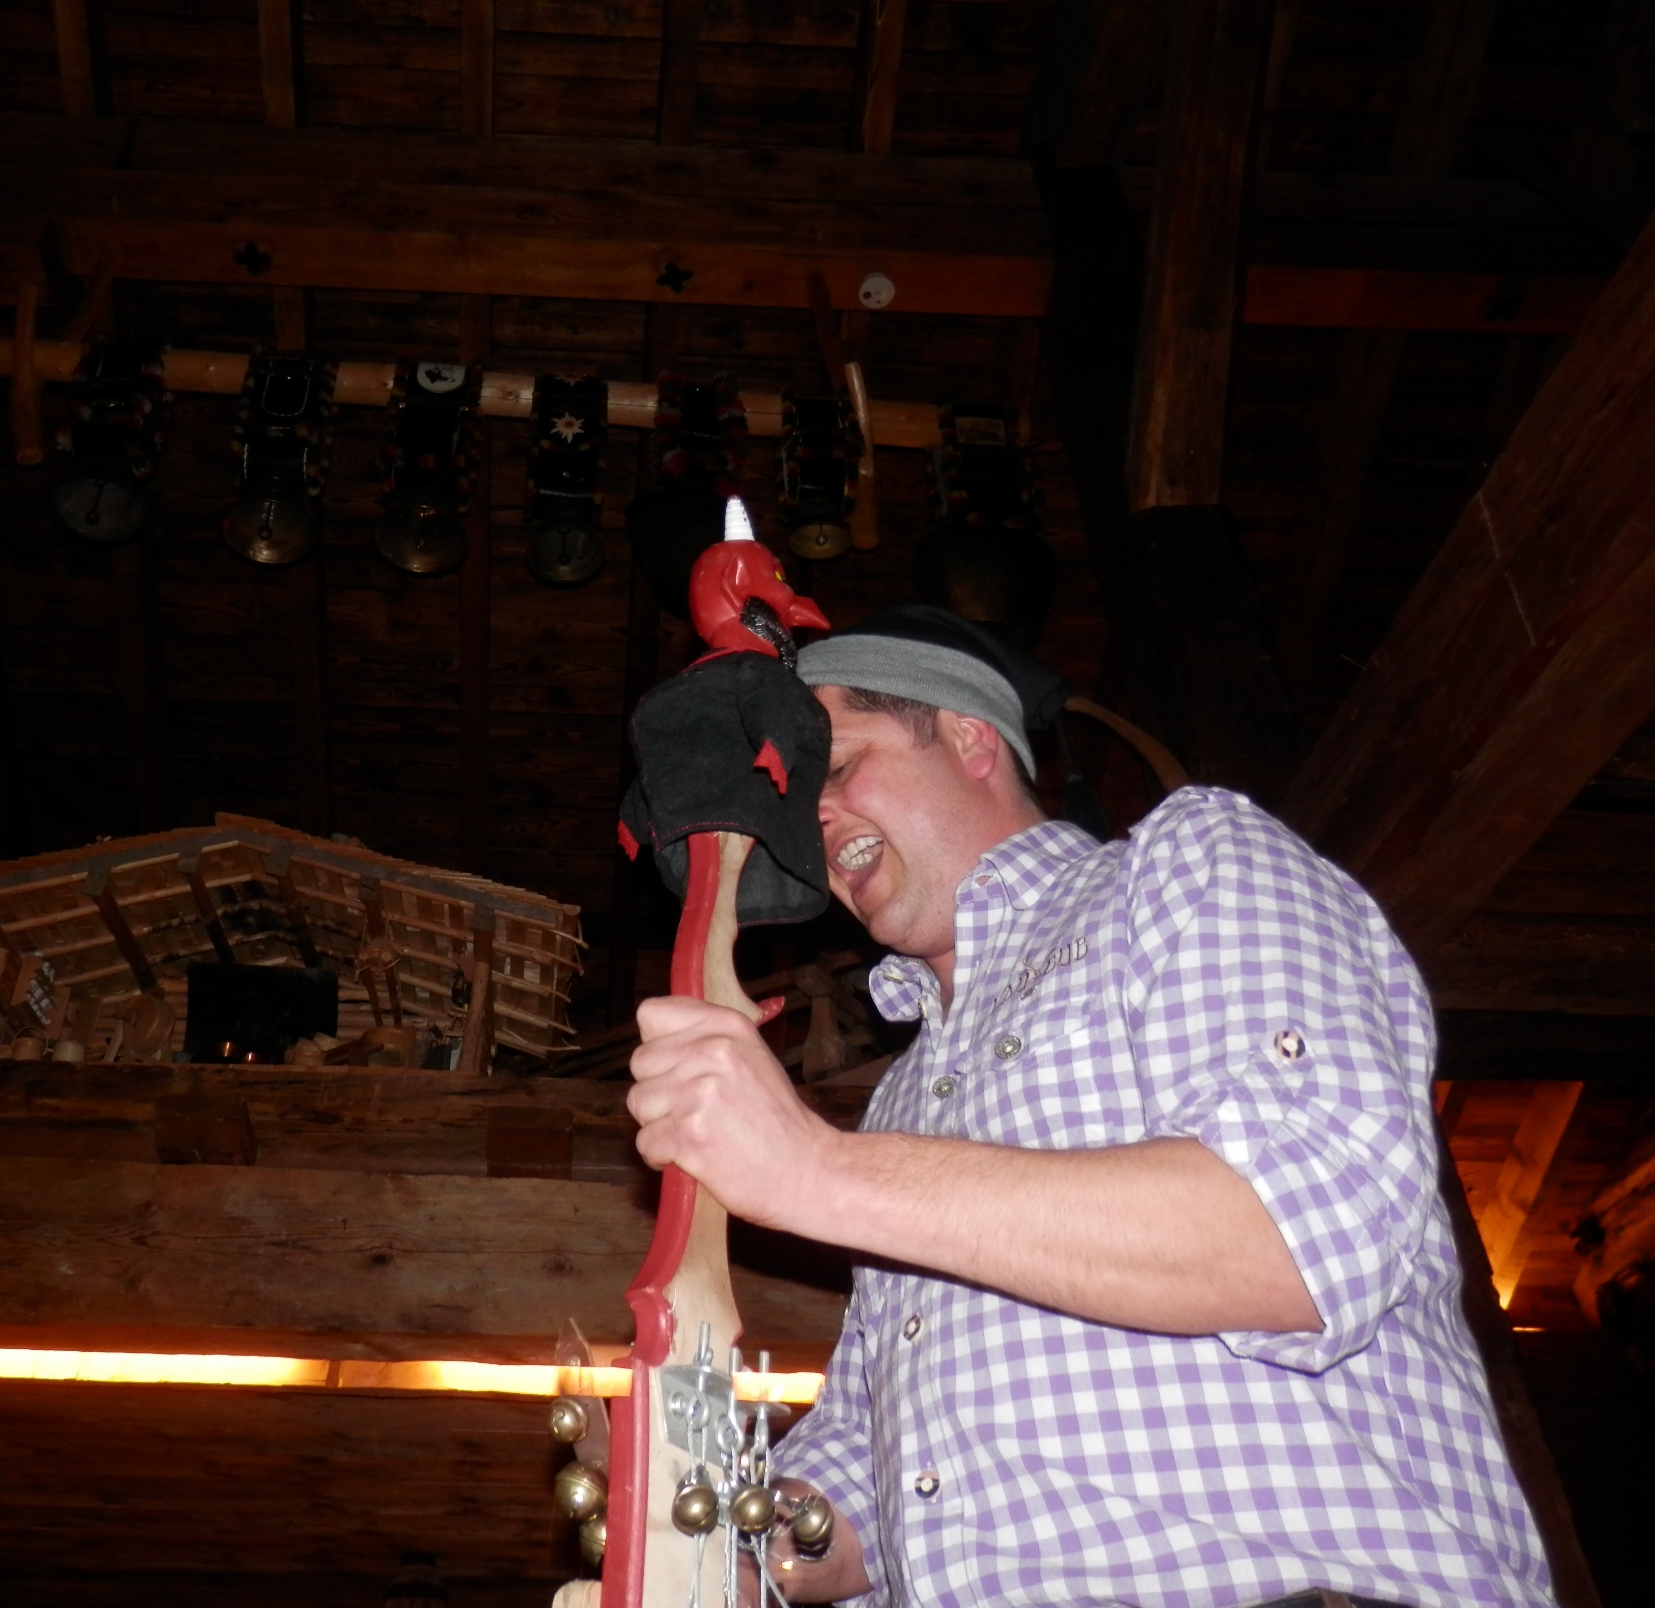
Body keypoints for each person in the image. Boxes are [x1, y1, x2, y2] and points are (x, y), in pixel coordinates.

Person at [625, 606, 1553, 1608]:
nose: (809, 816)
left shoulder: (1184, 864)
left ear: (971, 735)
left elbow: (1295, 1233)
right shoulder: (898, 1099)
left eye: (839, 765)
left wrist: (813, 1171)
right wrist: (730, 1540)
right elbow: (873, 1463)